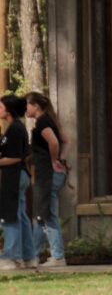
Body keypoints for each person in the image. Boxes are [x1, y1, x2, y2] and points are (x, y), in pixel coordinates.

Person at [22, 92, 68, 266]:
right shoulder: (49, 120)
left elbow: (54, 142)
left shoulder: (42, 122)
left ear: (35, 106)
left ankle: (58, 256)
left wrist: (54, 161)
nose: (24, 109)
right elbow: (66, 141)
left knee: (47, 216)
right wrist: (61, 159)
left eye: (26, 105)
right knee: (41, 215)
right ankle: (33, 255)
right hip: (48, 174)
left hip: (48, 175)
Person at [0, 95, 25, 274]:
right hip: (16, 175)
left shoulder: (15, 129)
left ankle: (12, 256)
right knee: (21, 215)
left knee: (11, 215)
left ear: (8, 110)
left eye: (1, 107)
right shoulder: (13, 128)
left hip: (15, 176)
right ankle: (29, 255)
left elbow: (17, 157)